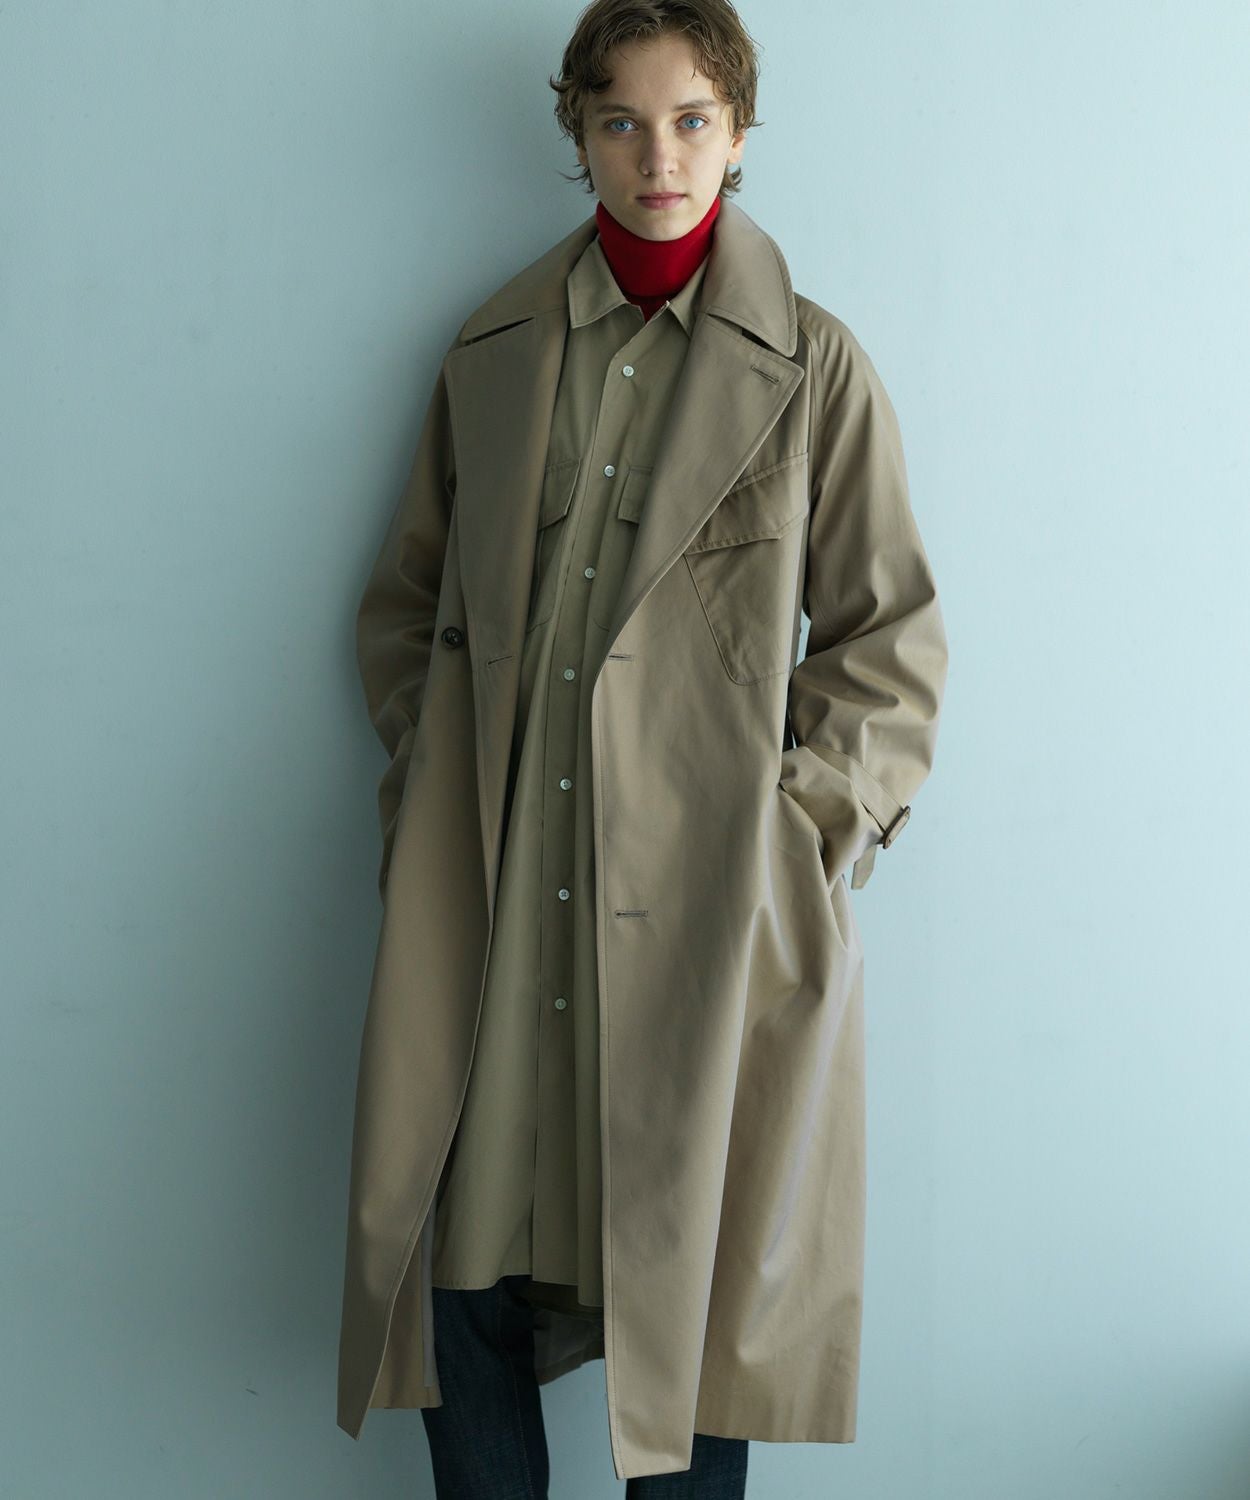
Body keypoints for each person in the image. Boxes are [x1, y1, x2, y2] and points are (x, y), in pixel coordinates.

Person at [336, 0, 949, 1493]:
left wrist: (796, 838)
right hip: (496, 913)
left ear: (737, 135)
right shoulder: (492, 351)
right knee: (463, 1279)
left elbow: (888, 644)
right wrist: (430, 786)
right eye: (620, 121)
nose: (656, 156)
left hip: (710, 922)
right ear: (580, 136)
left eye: (689, 121)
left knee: (698, 1290)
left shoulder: (811, 366)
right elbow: (408, 608)